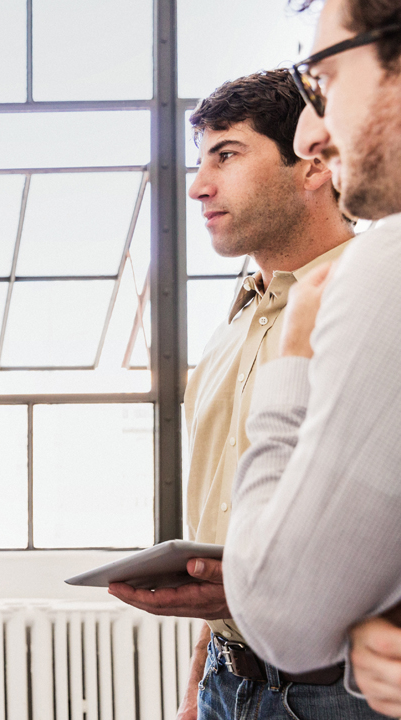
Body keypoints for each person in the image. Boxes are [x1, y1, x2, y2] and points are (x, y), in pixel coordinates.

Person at [107, 68, 375, 719]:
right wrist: (205, 675)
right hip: (232, 679)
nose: (199, 187)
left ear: (313, 162)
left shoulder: (372, 303)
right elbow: (232, 523)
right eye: (202, 162)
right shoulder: (234, 327)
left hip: (343, 689)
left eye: (226, 155)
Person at [223, 0, 401, 715]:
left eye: (323, 79)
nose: (312, 134)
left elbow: (284, 617)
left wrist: (294, 358)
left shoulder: (380, 267)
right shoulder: (229, 325)